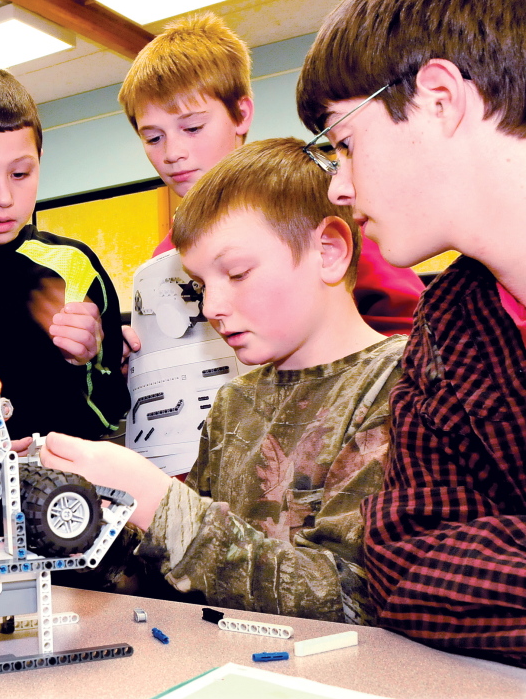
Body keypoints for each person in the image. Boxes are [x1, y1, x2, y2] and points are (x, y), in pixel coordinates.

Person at [40, 138, 407, 624]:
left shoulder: (398, 384)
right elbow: (183, 579)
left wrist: (160, 505)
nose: (212, 307)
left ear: (329, 251)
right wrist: (81, 512)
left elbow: (351, 596)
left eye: (236, 273)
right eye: (201, 285)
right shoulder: (236, 399)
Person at [297, 0, 526, 666]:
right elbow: (403, 558)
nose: (338, 185)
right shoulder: (450, 323)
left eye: (342, 142)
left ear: (435, 99)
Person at [117, 12, 423, 339]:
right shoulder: (166, 255)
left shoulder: (315, 200)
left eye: (192, 128)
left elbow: (415, 327)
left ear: (241, 115)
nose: (172, 153)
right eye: (153, 138)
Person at [0, 69, 129, 440]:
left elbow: (109, 415)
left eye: (20, 173)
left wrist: (88, 360)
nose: (3, 198)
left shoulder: (74, 266)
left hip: (59, 486)